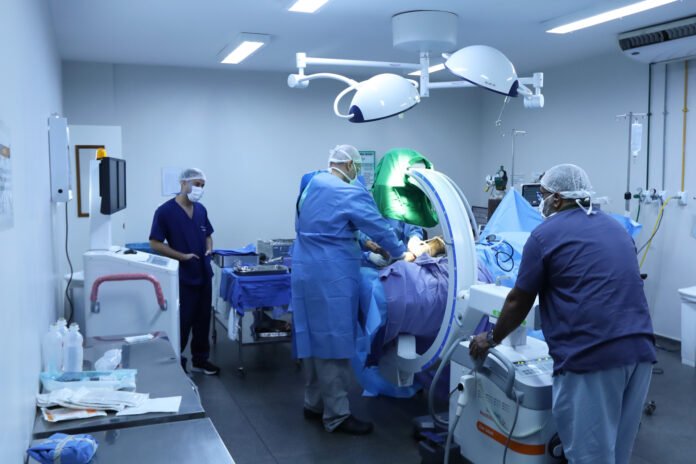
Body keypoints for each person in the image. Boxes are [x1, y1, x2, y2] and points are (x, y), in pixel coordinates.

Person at [469, 164, 655, 464]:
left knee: (589, 456)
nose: (539, 203)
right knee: (618, 451)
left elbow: (518, 300)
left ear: (556, 199)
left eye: (541, 195)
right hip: (640, 351)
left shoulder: (544, 235)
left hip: (593, 356)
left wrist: (490, 338)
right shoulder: (616, 229)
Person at [292, 144, 413, 435]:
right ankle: (337, 415)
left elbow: (326, 225)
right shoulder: (348, 191)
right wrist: (401, 252)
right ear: (349, 165)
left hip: (305, 269)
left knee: (311, 338)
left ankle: (313, 403)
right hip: (331, 275)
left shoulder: (311, 184)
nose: (358, 172)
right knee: (333, 341)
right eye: (357, 167)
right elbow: (380, 226)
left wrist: (362, 242)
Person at [149, 168, 220, 376]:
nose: (200, 189)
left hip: (203, 273)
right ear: (183, 183)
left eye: (202, 186)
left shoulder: (201, 210)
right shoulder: (165, 212)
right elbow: (154, 242)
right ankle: (176, 360)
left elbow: (208, 235)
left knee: (203, 320)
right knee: (182, 321)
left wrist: (209, 248)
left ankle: (200, 360)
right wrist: (181, 256)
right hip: (183, 276)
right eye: (196, 184)